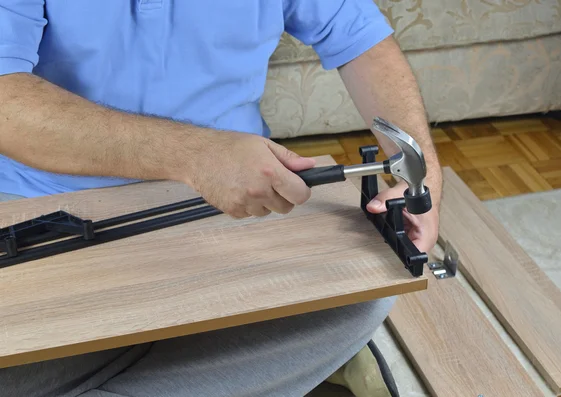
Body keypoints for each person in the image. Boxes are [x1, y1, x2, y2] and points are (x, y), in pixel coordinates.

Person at [0, 1, 442, 396]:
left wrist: (426, 173)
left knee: (364, 293)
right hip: (48, 205)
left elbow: (361, 39)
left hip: (239, 199)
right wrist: (196, 154)